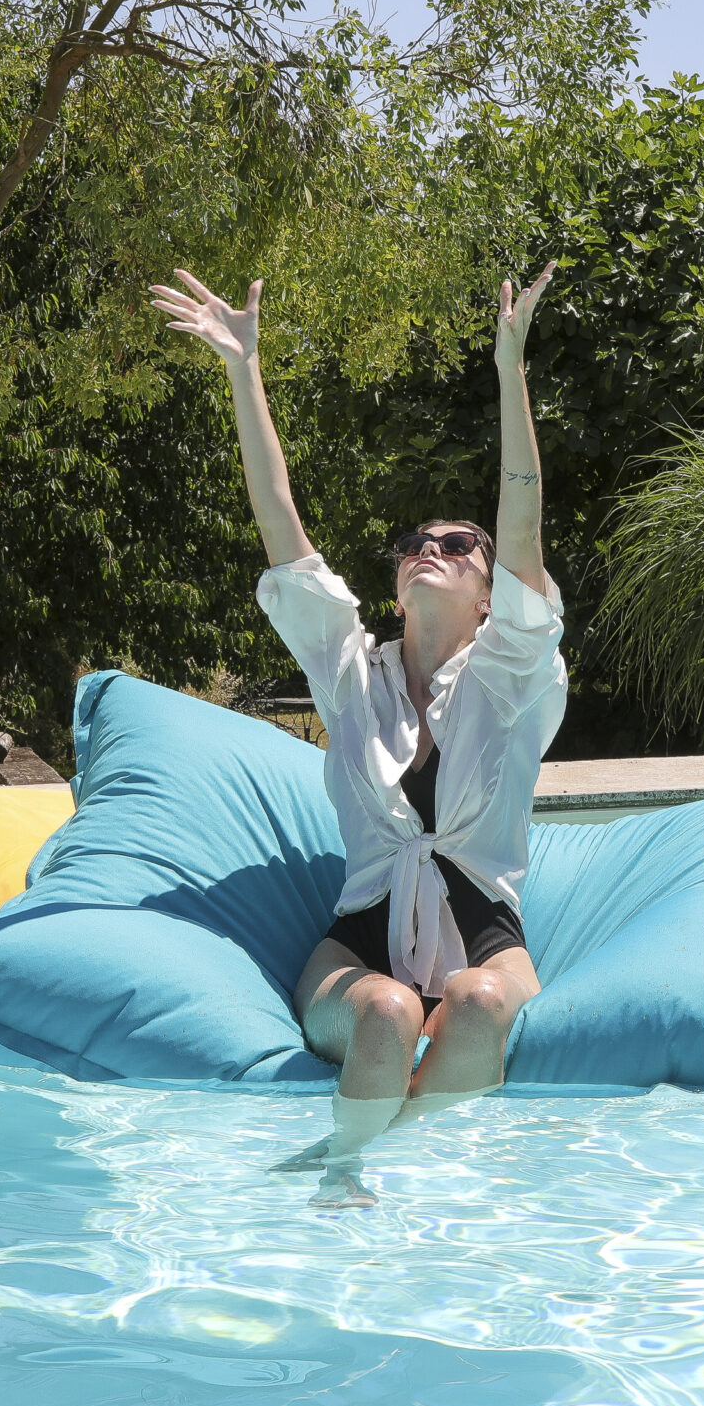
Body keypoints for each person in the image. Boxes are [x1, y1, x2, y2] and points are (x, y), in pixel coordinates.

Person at [150, 265, 568, 1206]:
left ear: (490, 597)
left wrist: (510, 369)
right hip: (361, 937)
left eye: (457, 546)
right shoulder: (350, 672)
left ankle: (370, 1155)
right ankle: (342, 1180)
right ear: (395, 589)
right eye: (416, 544)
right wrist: (243, 370)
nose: (431, 550)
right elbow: (282, 529)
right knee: (386, 1010)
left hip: (483, 932)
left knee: (477, 1002)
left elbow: (523, 524)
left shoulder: (509, 676)